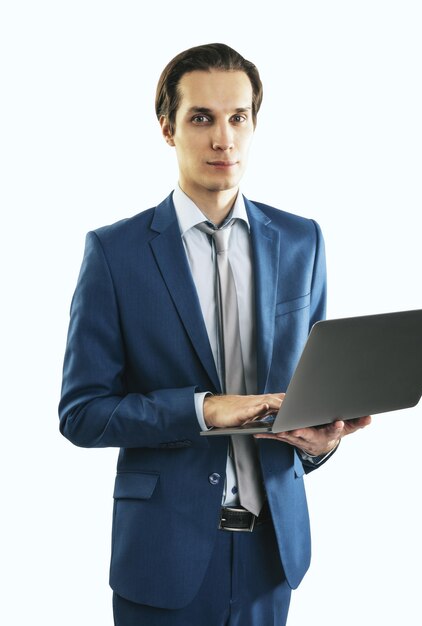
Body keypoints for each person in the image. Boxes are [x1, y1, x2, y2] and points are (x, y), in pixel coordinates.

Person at [59, 42, 371, 625]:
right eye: (201, 118)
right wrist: (207, 410)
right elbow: (82, 413)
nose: (222, 138)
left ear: (255, 125)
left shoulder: (302, 242)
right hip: (161, 556)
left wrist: (322, 442)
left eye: (238, 118)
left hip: (272, 554)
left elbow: (309, 390)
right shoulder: (115, 254)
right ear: (167, 128)